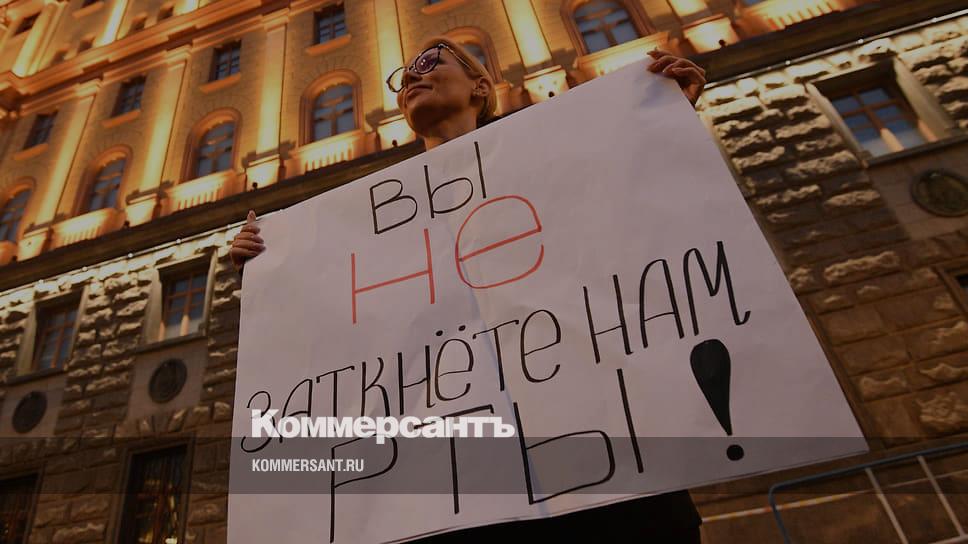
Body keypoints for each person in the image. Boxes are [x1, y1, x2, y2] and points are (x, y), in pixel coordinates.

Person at [230, 37, 707, 542]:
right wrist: (269, 275)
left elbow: (631, 231)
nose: (411, 79)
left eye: (428, 63)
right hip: (471, 486)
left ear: (480, 87)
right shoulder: (373, 217)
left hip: (603, 465)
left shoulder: (552, 158)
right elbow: (345, 329)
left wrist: (660, 125)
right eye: (403, 78)